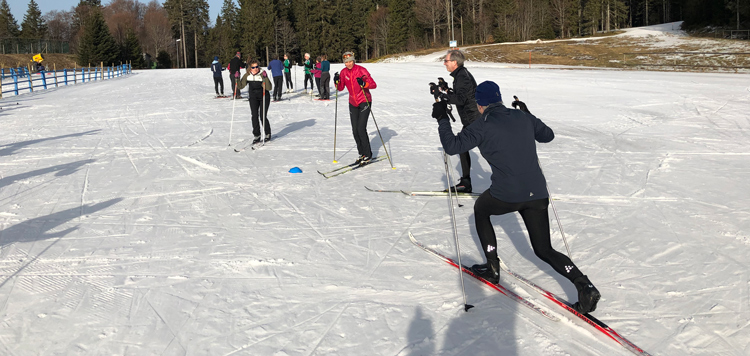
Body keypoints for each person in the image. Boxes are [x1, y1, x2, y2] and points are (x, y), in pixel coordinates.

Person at [431, 80, 601, 314]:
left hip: (507, 194)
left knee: (481, 209)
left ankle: (492, 268)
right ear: (499, 98)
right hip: (537, 194)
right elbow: (547, 136)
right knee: (544, 249)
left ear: (480, 104)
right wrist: (527, 113)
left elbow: (452, 146)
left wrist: (441, 118)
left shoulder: (481, 124)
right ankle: (585, 286)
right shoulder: (522, 118)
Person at [435, 49, 481, 193]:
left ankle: (511, 180)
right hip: (471, 120)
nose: (444, 63)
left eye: (446, 61)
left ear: (454, 62)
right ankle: (466, 182)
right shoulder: (460, 75)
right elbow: (462, 95)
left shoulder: (462, 77)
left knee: (489, 151)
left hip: (475, 120)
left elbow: (461, 100)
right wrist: (447, 91)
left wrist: (442, 96)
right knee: (462, 147)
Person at [334, 51, 377, 165]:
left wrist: (364, 83)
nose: (348, 64)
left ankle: (368, 154)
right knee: (355, 130)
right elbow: (341, 88)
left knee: (361, 129)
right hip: (353, 102)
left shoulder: (361, 70)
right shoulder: (343, 72)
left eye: (350, 61)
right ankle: (361, 153)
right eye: (346, 62)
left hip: (364, 101)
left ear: (354, 60)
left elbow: (373, 84)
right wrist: (336, 81)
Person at [238, 59, 273, 144]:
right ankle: (257, 135)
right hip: (253, 97)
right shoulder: (247, 75)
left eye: (257, 66)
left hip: (264, 96)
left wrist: (265, 78)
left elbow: (269, 88)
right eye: (253, 67)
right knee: (254, 116)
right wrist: (236, 78)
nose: (256, 68)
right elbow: (240, 86)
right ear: (250, 68)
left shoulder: (262, 73)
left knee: (262, 116)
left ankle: (267, 133)